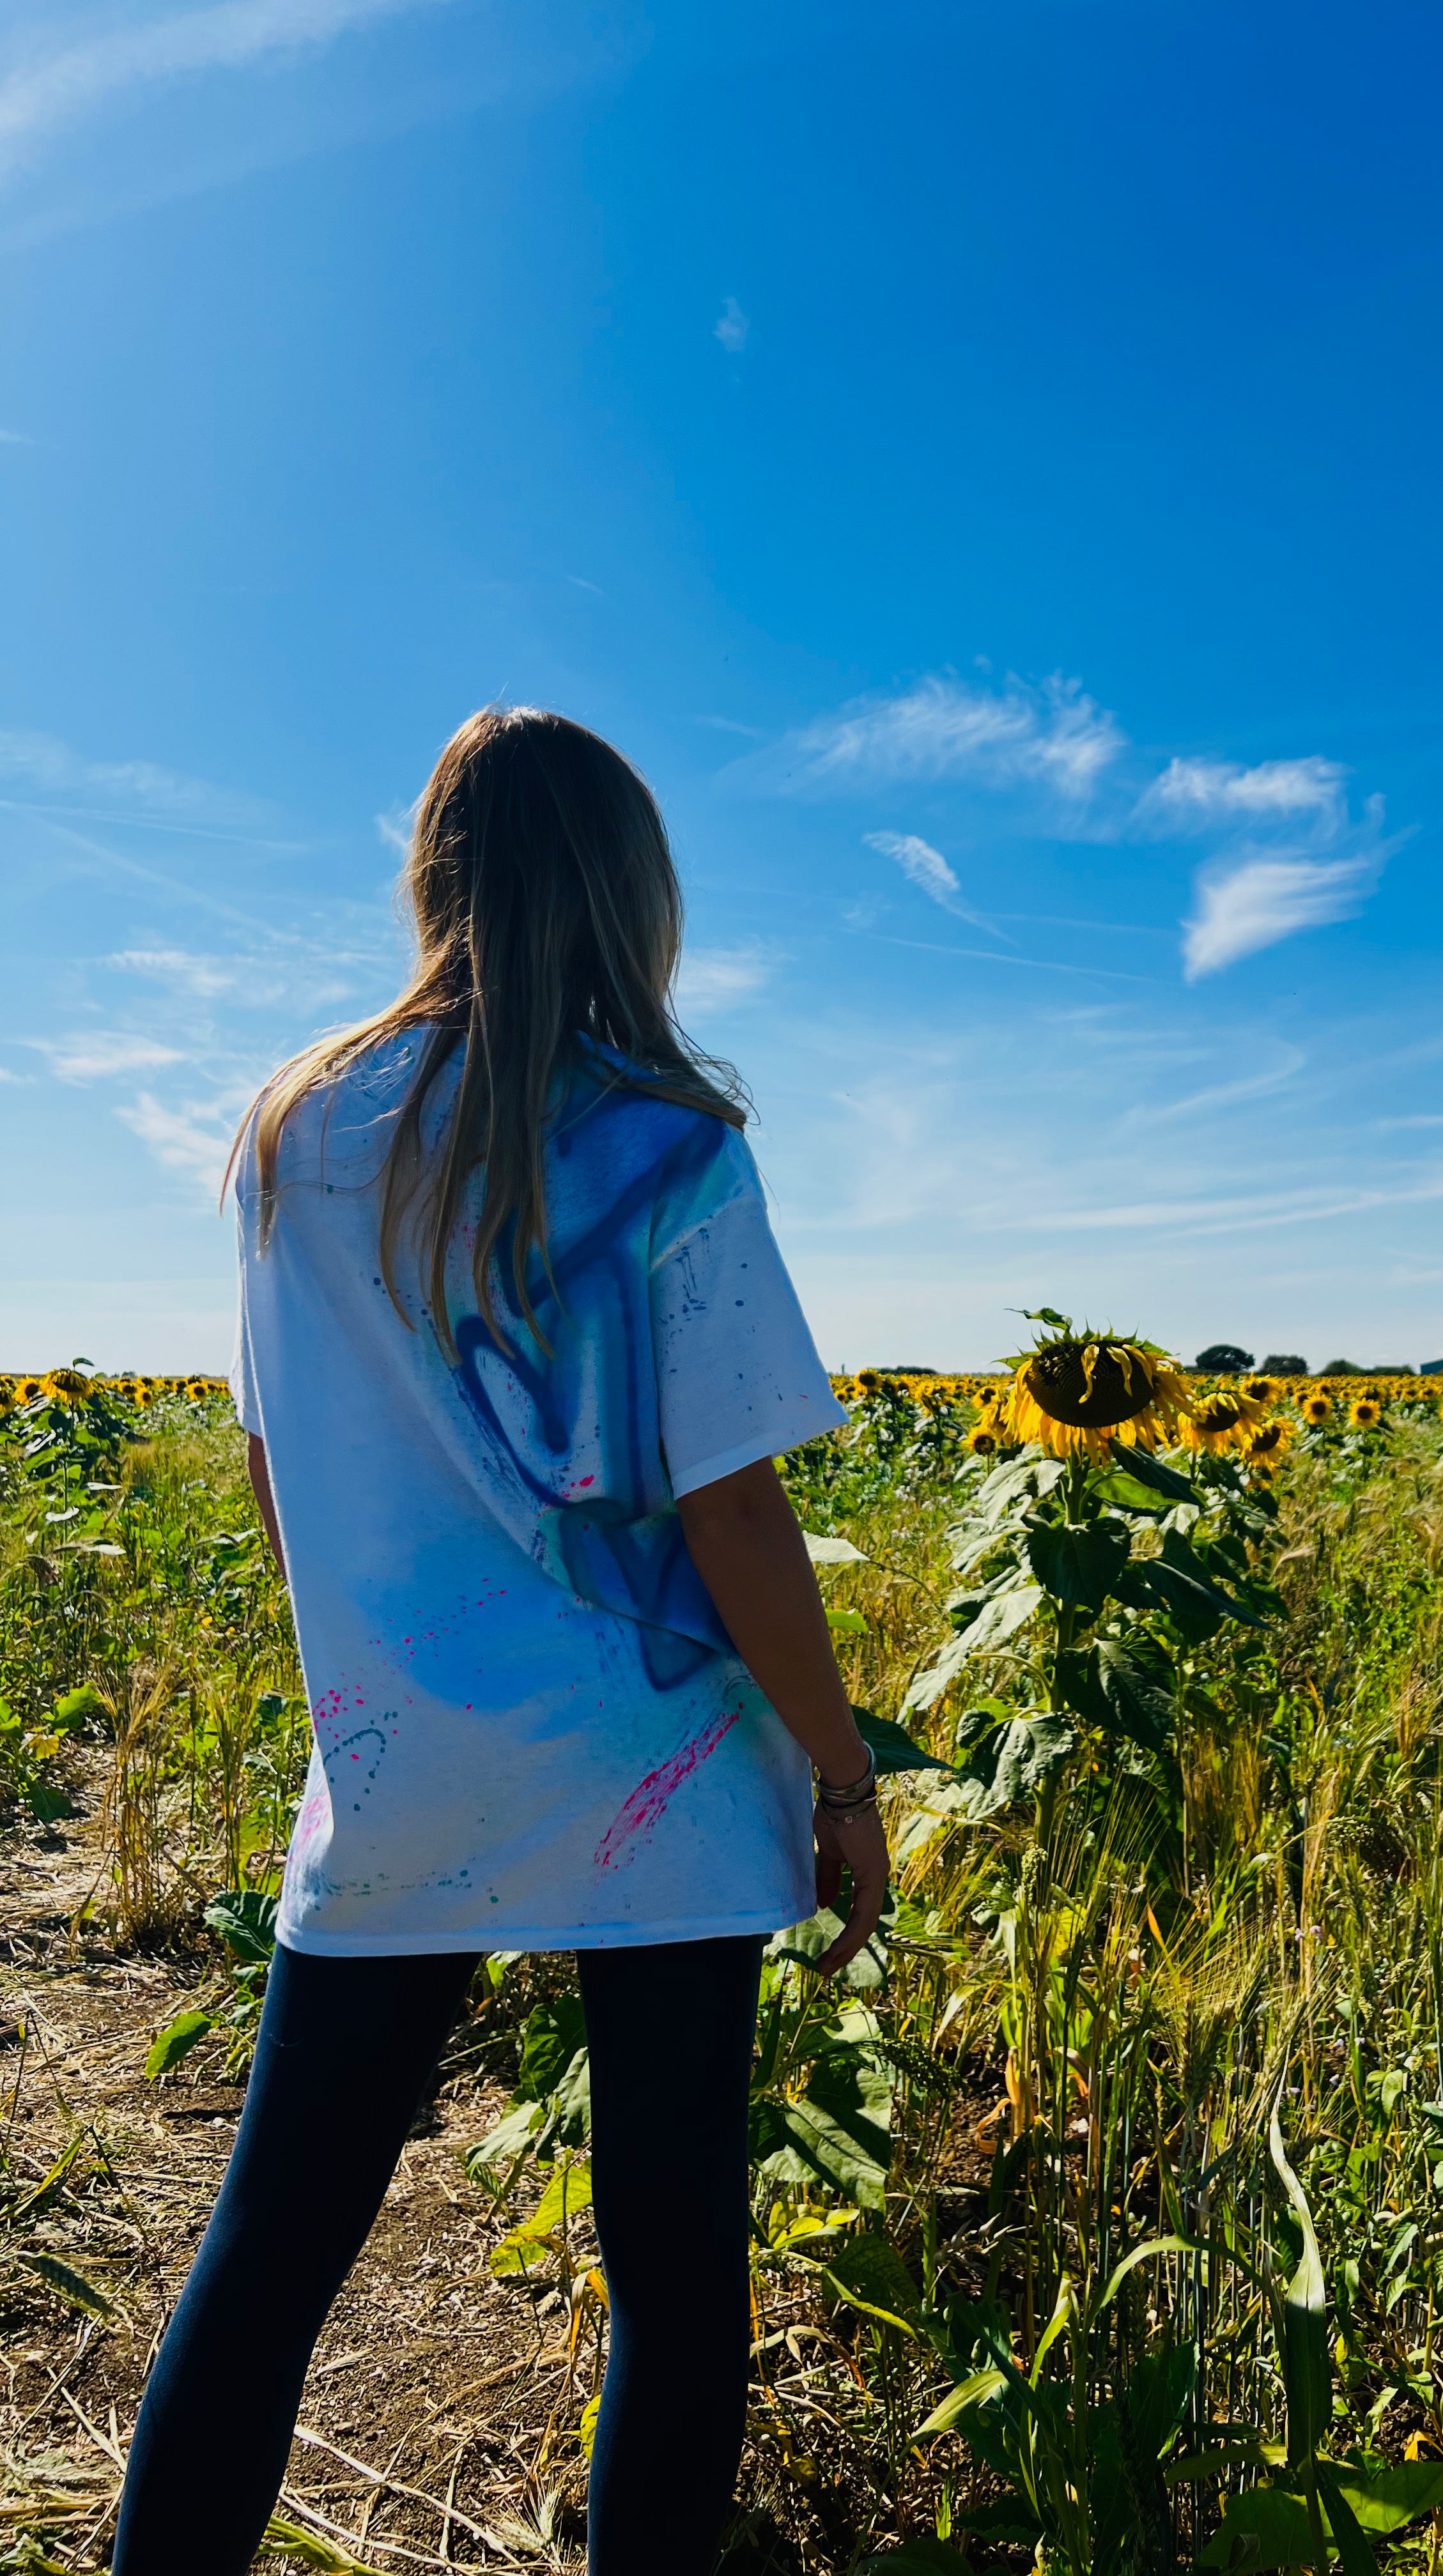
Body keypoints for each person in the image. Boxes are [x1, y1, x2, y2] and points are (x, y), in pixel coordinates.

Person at [111, 707, 890, 2576]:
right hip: (667, 1774)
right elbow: (731, 1508)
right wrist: (845, 1774)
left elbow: (281, 1461)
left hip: (404, 1764)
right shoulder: (666, 1142)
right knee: (678, 2267)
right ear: (636, 894)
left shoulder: (297, 1129)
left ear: (431, 874)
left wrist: (361, 1692)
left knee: (279, 2245)